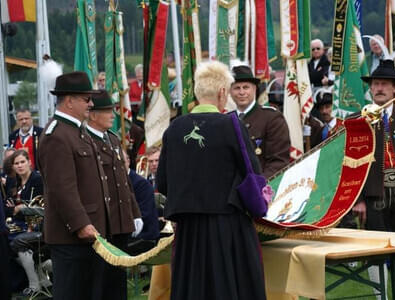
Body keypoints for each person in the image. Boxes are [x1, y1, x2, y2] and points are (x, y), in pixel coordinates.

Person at [157, 60, 266, 300]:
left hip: (189, 230)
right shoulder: (232, 125)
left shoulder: (174, 128)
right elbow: (252, 173)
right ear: (222, 92)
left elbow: (162, 181)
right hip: (228, 226)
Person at [37, 71, 110, 300]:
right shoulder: (57, 135)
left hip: (89, 233)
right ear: (69, 100)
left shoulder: (78, 132)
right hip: (72, 237)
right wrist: (81, 224)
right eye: (86, 99)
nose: (91, 103)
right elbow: (62, 188)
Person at [86, 89, 142, 300]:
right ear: (92, 114)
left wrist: (134, 213)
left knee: (118, 281)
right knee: (101, 281)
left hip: (120, 221)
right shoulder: (87, 141)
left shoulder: (112, 139)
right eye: (107, 111)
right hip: (102, 223)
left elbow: (125, 182)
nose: (112, 115)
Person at [353, 59, 395, 299]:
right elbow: (350, 164)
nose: (379, 88)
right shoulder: (358, 120)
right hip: (373, 196)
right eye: (375, 84)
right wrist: (357, 199)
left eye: (385, 84)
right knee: (375, 248)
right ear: (370, 88)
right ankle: (380, 295)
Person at [230, 64, 290, 179]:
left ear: (255, 89)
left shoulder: (272, 118)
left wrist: (259, 185)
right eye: (237, 88)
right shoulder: (226, 119)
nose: (242, 92)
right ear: (230, 91)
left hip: (261, 188)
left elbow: (279, 161)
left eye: (246, 87)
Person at [5, 150, 44, 297]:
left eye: (22, 162)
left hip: (39, 225)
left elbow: (44, 209)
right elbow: (8, 208)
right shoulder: (13, 182)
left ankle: (35, 284)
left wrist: (21, 208)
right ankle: (35, 276)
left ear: (29, 162)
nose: (20, 166)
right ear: (13, 166)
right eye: (16, 163)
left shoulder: (38, 180)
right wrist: (13, 210)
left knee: (16, 241)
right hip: (18, 224)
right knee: (4, 239)